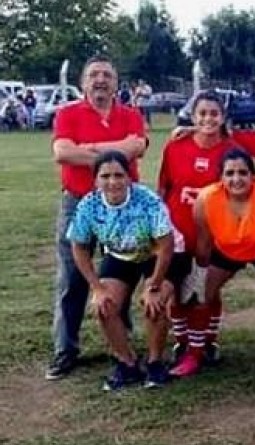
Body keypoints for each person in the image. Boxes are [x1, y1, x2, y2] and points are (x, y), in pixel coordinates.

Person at [47, 55, 147, 380]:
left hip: (123, 204)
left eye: (107, 74)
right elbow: (63, 152)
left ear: (117, 83)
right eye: (94, 75)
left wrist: (88, 148)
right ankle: (65, 350)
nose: (101, 80)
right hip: (78, 202)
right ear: (83, 82)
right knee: (71, 277)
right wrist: (114, 151)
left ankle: (122, 340)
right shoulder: (68, 113)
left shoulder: (131, 114)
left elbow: (136, 148)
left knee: (122, 269)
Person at [174, 148, 255, 377]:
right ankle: (195, 353)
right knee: (200, 296)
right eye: (229, 173)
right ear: (220, 177)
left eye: (243, 172)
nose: (236, 179)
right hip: (226, 249)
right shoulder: (206, 198)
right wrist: (199, 273)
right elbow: (204, 242)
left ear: (253, 175)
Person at [66, 152, 181, 390]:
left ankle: (155, 362)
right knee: (104, 306)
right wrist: (96, 287)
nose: (112, 182)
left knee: (155, 303)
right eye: (105, 176)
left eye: (119, 175)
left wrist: (154, 286)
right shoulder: (89, 204)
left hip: (158, 255)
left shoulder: (147, 200)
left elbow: (166, 245)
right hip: (121, 255)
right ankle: (127, 363)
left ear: (129, 178)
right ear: (95, 179)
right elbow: (78, 247)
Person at [157, 91, 238, 367]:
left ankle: (207, 341)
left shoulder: (230, 150)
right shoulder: (175, 146)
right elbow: (164, 187)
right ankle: (182, 341)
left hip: (214, 234)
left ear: (223, 117)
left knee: (207, 289)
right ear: (193, 116)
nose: (208, 119)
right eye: (202, 113)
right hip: (178, 234)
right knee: (179, 289)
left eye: (214, 113)